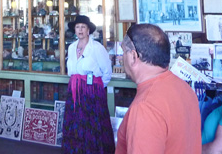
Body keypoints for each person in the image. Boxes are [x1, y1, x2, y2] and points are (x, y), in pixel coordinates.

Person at [116, 24, 202, 154]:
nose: (122, 58)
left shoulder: (145, 107)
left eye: (123, 51)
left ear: (133, 57)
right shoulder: (184, 88)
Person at [62, 15, 114, 154]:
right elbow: (70, 71)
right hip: (74, 91)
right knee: (76, 122)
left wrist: (95, 88)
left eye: (83, 27)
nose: (80, 30)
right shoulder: (72, 47)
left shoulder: (97, 47)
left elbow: (107, 72)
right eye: (77, 27)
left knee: (92, 123)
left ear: (88, 30)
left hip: (92, 92)